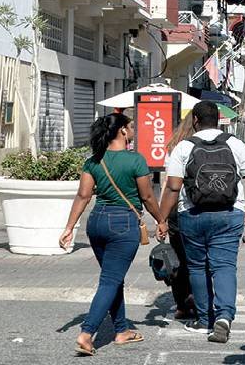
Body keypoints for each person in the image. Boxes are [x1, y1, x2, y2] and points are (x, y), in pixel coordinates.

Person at [59, 114, 163, 357]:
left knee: (113, 277)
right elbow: (147, 197)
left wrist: (68, 227)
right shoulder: (135, 160)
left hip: (96, 222)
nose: (133, 129)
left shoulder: (93, 161)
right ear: (123, 132)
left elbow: (83, 196)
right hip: (122, 223)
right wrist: (161, 220)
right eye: (131, 126)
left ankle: (121, 330)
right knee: (110, 280)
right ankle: (87, 334)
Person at [158, 101, 245, 343]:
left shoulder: (184, 147)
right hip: (229, 213)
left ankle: (205, 320)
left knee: (196, 266)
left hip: (192, 215)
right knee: (224, 266)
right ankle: (224, 317)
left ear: (195, 120)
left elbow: (173, 187)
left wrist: (162, 219)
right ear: (218, 119)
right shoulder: (235, 144)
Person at [161, 110, 200, 321]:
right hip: (200, 206)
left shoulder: (174, 147)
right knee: (199, 258)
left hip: (177, 207)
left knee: (177, 258)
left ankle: (182, 305)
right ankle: (200, 299)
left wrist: (162, 216)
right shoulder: (205, 144)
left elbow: (168, 183)